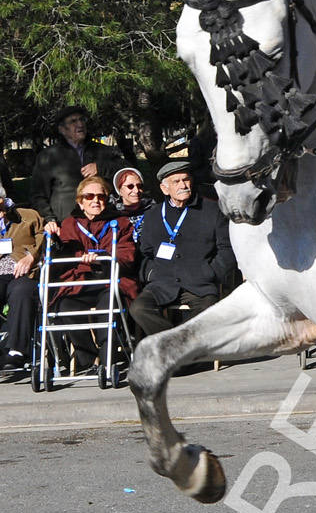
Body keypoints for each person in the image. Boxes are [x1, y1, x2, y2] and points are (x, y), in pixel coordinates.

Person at [130, 161, 236, 338]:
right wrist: (151, 274)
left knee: (207, 311)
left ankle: (172, 353)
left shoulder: (212, 210)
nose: (183, 185)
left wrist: (210, 273)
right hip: (162, 283)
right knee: (139, 308)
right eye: (176, 182)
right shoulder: (153, 215)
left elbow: (227, 249)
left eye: (185, 179)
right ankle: (180, 349)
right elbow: (145, 252)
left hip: (200, 284)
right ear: (165, 189)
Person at [48, 176, 138, 374]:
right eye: (89, 196)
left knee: (109, 304)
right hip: (81, 280)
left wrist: (102, 257)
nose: (95, 200)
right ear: (81, 202)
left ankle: (107, 362)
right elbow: (62, 255)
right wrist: (53, 238)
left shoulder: (120, 222)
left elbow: (127, 254)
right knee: (65, 305)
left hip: (112, 281)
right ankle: (88, 360)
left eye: (101, 196)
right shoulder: (70, 224)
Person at [29, 105, 125, 225]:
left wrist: (101, 168)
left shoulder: (103, 151)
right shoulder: (48, 156)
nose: (80, 124)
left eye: (82, 119)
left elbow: (128, 171)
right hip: (65, 226)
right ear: (62, 129)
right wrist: (50, 219)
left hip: (103, 223)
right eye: (73, 121)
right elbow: (38, 196)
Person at [0, 196, 44, 379]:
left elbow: (44, 236)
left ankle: (16, 351)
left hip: (25, 272)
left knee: (22, 292)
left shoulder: (27, 215)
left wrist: (31, 256)